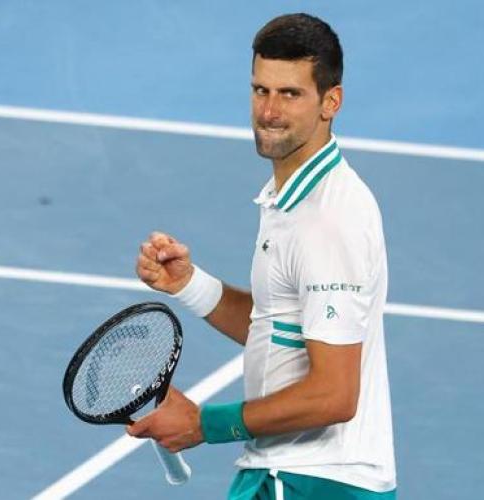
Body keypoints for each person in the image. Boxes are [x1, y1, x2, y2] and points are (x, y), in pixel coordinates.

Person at [127, 13, 396, 499]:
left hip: (311, 481)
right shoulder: (291, 200)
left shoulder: (328, 219)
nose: (269, 111)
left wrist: (204, 424)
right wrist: (189, 284)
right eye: (260, 90)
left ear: (330, 102)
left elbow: (335, 395)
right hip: (289, 474)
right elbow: (279, 325)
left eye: (290, 94)